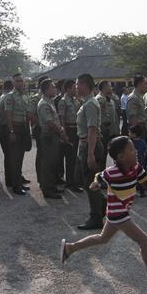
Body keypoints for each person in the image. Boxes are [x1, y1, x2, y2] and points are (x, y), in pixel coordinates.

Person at [59, 136, 147, 289]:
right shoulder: (112, 172)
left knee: (103, 238)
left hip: (117, 212)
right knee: (144, 241)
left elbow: (145, 182)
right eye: (131, 150)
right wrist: (96, 183)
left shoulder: (136, 167)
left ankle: (69, 248)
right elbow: (99, 176)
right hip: (118, 214)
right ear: (121, 157)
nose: (135, 152)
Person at [75, 73, 107, 229]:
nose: (76, 87)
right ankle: (103, 206)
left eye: (77, 84)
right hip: (86, 145)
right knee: (87, 181)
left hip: (90, 145)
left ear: (84, 85)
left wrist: (90, 154)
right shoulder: (86, 102)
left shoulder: (90, 104)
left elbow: (92, 130)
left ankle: (96, 218)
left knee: (91, 183)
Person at [37, 79, 68, 199]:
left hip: (53, 135)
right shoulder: (44, 103)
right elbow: (50, 122)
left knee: (53, 162)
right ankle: (48, 190)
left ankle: (51, 186)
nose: (55, 89)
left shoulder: (49, 101)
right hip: (49, 136)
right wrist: (61, 132)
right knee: (48, 164)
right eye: (52, 87)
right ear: (46, 90)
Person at [2, 73, 30, 196]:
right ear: (13, 83)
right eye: (17, 81)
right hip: (15, 128)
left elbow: (26, 113)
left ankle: (18, 182)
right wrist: (11, 131)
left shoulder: (24, 96)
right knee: (15, 159)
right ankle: (16, 186)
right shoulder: (10, 96)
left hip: (23, 128)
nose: (20, 83)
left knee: (20, 157)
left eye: (21, 81)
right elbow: (8, 114)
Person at [58, 79, 81, 191]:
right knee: (70, 157)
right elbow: (61, 118)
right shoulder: (63, 101)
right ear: (67, 89)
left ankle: (72, 181)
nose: (75, 89)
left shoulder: (76, 100)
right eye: (73, 87)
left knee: (74, 157)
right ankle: (70, 182)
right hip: (68, 129)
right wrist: (64, 133)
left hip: (76, 129)